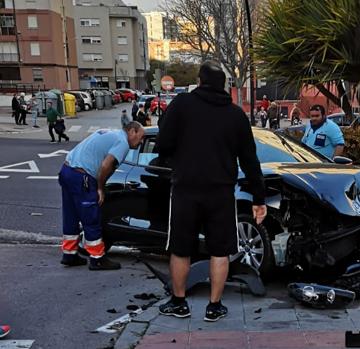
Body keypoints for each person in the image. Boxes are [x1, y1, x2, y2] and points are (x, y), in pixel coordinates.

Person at [156, 61, 266, 322]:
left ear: (200, 81)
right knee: (220, 250)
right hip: (221, 192)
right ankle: (214, 306)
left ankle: (179, 302)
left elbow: (163, 145)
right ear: (224, 85)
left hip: (186, 189)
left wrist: (180, 160)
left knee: (181, 248)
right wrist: (258, 198)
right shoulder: (236, 114)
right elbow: (250, 160)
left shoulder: (182, 105)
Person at [59, 121, 144, 270]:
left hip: (67, 170)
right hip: (82, 177)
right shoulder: (122, 142)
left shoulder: (110, 132)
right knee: (91, 217)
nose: (141, 141)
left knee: (71, 215)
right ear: (132, 131)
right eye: (141, 137)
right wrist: (100, 188)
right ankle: (97, 258)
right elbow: (106, 165)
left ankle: (69, 254)